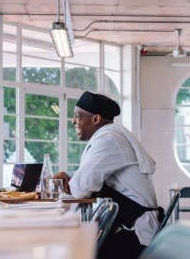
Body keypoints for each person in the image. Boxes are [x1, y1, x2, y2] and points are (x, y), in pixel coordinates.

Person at [54, 91, 161, 259]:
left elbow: (82, 189)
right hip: (127, 225)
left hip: (134, 233)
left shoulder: (109, 139)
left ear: (96, 119)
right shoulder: (108, 136)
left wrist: (65, 181)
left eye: (77, 116)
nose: (73, 121)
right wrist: (69, 178)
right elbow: (86, 179)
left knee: (74, 250)